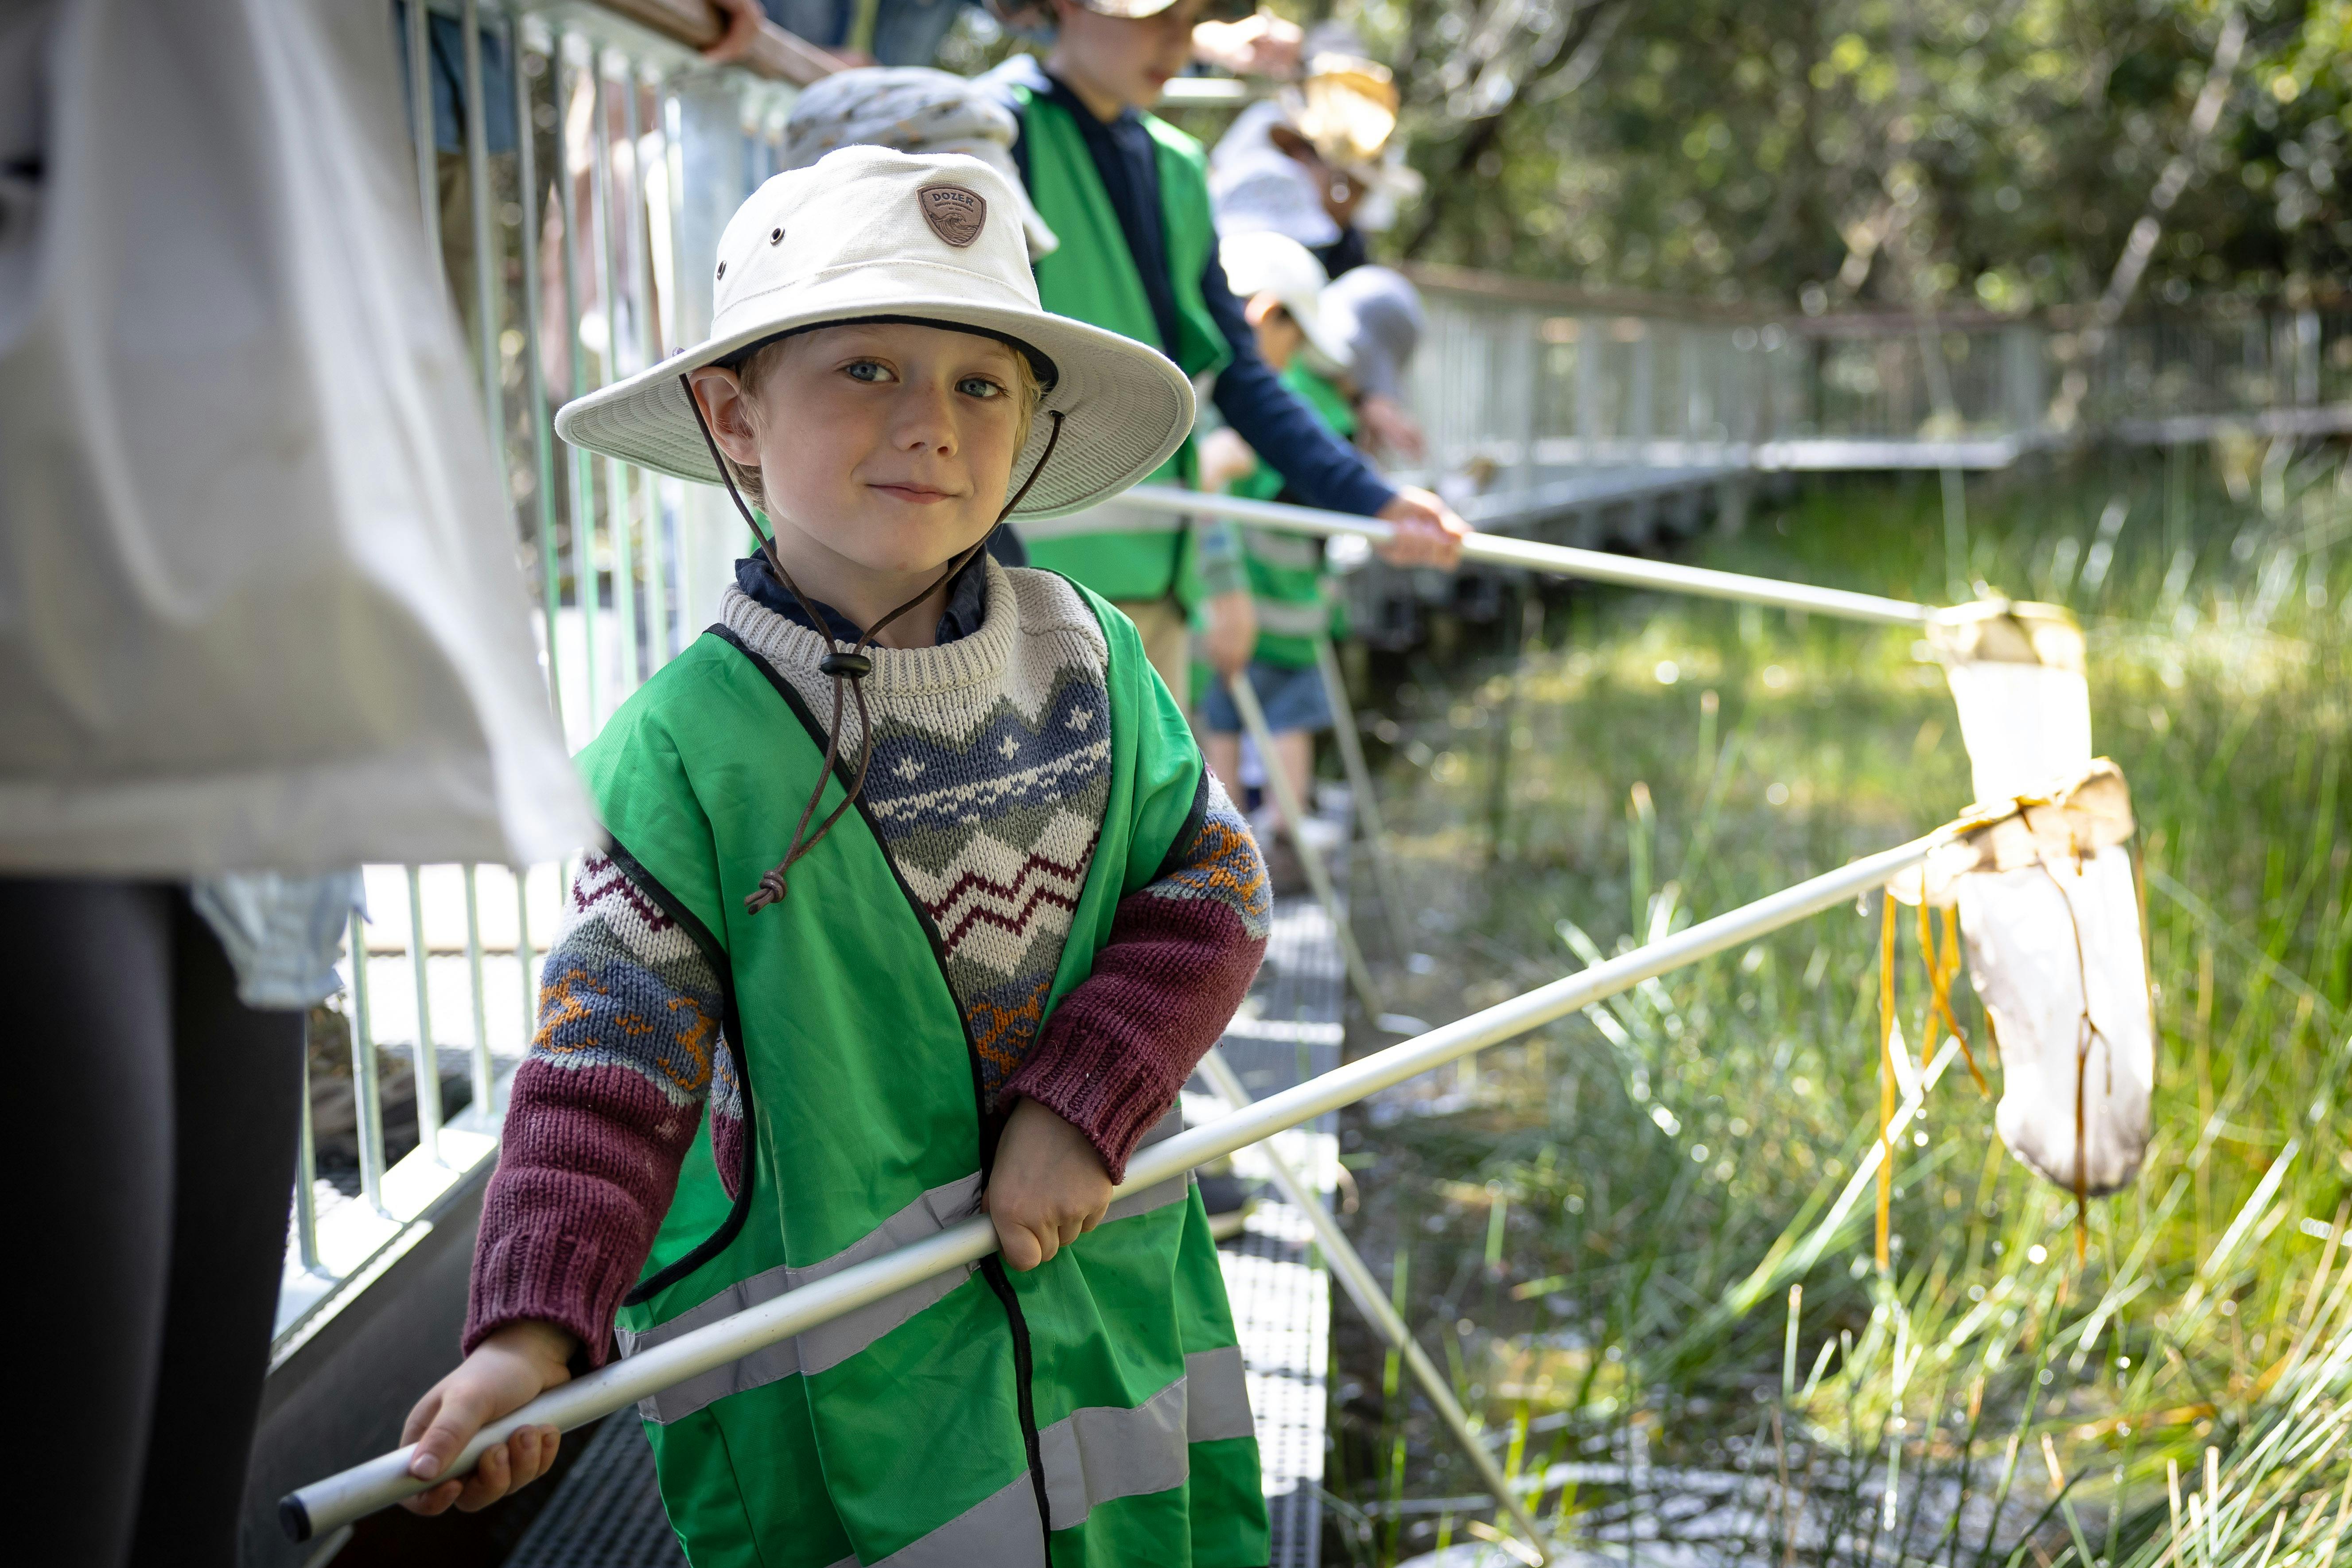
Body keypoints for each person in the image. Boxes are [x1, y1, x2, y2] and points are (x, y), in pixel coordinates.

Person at [394, 147, 1278, 1566]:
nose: (929, 423)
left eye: (980, 383)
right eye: (866, 368)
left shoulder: (1094, 661)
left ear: (1029, 430)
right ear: (734, 417)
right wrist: (528, 1326)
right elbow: (606, 1064)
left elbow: (1213, 888)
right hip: (853, 1406)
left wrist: (1087, 1095)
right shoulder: (683, 751)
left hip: (1112, 1314)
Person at [977, 0, 1466, 712]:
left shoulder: (1178, 165)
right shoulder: (989, 133)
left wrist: (1376, 500)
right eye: (1155, 13)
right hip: (1021, 595)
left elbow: (1242, 377)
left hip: (1161, 599)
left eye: (1192, 15)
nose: (1178, 37)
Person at [1194, 232, 1353, 893]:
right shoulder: (1271, 407)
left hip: (1225, 601)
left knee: (1222, 716)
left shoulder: (1209, 397)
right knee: (1287, 714)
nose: (1289, 360)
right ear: (1267, 316)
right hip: (1274, 603)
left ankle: (1222, 844)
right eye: (1292, 338)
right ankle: (1280, 836)